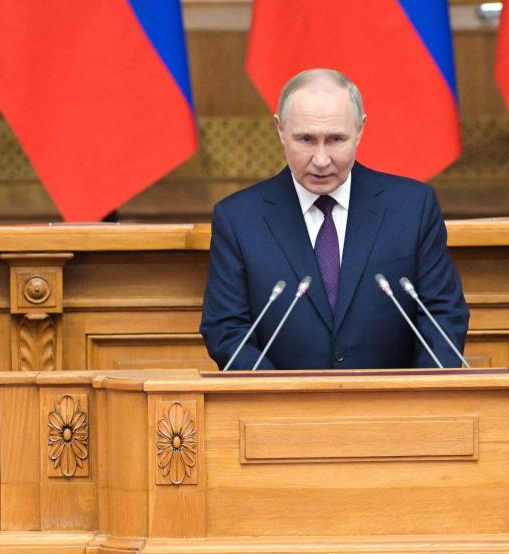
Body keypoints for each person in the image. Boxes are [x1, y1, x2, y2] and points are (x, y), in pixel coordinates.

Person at [200, 68, 469, 370]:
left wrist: (418, 397)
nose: (321, 160)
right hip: (279, 409)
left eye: (336, 139)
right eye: (305, 139)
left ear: (360, 130)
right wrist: (276, 399)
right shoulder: (238, 219)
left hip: (394, 407)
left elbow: (442, 315)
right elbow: (226, 329)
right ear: (280, 129)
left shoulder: (412, 207)